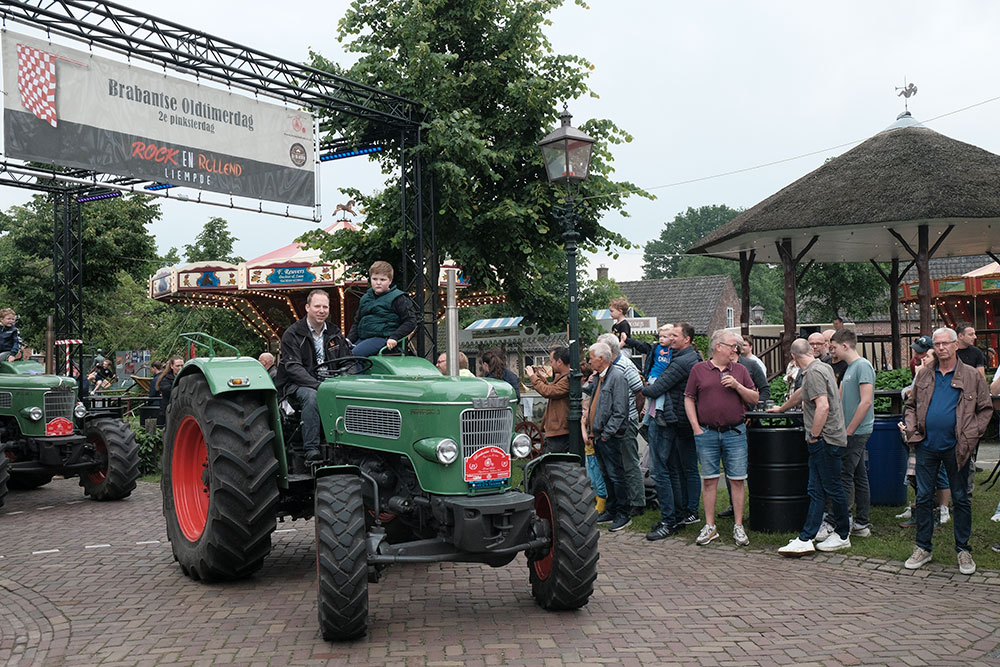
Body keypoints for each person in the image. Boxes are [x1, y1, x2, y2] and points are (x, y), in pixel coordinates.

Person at [902, 327, 992, 575]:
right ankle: (923, 547)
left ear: (955, 345)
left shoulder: (971, 375)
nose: (941, 347)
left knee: (961, 498)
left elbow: (985, 409)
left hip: (958, 447)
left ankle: (963, 549)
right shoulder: (924, 374)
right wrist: (913, 431)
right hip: (926, 446)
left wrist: (971, 435)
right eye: (937, 344)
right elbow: (911, 406)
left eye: (945, 343)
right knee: (923, 497)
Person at [775, 338, 851, 556]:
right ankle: (807, 537)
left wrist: (814, 436)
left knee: (831, 488)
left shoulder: (814, 373)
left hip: (825, 440)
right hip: (828, 439)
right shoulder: (820, 367)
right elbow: (801, 392)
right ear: (810, 351)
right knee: (817, 490)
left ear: (793, 356)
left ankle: (842, 534)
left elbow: (822, 406)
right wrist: (782, 409)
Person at [684, 329, 758, 547]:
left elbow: (754, 398)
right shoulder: (699, 370)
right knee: (709, 480)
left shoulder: (740, 370)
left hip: (735, 433)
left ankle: (738, 526)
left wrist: (737, 385)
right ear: (718, 347)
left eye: (737, 347)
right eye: (732, 346)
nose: (736, 350)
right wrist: (696, 427)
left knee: (737, 480)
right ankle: (710, 526)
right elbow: (689, 398)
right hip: (706, 433)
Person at [641, 322, 702, 540]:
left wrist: (641, 387)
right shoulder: (686, 358)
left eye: (675, 335)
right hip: (674, 419)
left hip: (666, 419)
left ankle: (669, 521)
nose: (671, 338)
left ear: (687, 339)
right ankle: (677, 516)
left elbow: (657, 388)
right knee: (674, 470)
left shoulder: (682, 361)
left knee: (661, 471)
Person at [276, 289, 351, 463]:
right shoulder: (293, 334)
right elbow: (293, 368)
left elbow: (347, 361)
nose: (321, 310)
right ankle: (311, 448)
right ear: (307, 307)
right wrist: (318, 385)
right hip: (297, 383)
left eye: (325, 307)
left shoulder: (334, 332)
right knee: (312, 396)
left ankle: (350, 445)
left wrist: (347, 377)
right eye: (317, 306)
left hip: (329, 381)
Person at [829, 329, 874, 538]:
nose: (832, 352)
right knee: (859, 475)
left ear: (845, 346)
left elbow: (866, 401)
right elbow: (839, 399)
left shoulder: (862, 366)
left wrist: (849, 430)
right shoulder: (849, 368)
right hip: (849, 429)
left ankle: (841, 523)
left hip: (857, 431)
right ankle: (862, 523)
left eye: (834, 347)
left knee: (844, 475)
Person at [595, 332, 645, 516]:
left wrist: (634, 415)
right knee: (616, 464)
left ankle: (637, 502)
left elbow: (639, 391)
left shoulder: (624, 365)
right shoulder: (608, 368)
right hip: (613, 423)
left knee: (629, 461)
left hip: (625, 422)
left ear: (608, 349)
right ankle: (622, 501)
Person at [584, 341, 631, 532]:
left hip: (608, 436)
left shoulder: (617, 377)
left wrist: (606, 434)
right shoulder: (599, 378)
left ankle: (623, 513)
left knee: (616, 475)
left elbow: (620, 411)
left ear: (601, 359)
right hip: (598, 435)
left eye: (591, 358)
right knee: (606, 474)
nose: (589, 361)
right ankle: (611, 509)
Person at [346, 261, 416, 358]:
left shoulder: (399, 298)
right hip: (364, 338)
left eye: (383, 279)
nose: (378, 283)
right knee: (342, 354)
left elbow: (410, 320)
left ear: (390, 281)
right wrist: (349, 340)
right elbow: (357, 322)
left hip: (384, 339)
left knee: (354, 355)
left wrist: (395, 337)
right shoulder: (365, 298)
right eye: (375, 279)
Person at [526, 346, 570, 454]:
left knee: (553, 461)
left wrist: (532, 376)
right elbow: (551, 388)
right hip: (556, 431)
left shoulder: (567, 379)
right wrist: (538, 375)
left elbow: (548, 391)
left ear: (559, 362)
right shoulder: (563, 377)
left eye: (551, 361)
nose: (550, 365)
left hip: (559, 432)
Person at [157, 356, 184, 422]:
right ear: (172, 366)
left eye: (182, 366)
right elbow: (168, 391)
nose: (180, 368)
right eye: (177, 366)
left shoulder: (187, 377)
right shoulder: (165, 379)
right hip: (169, 411)